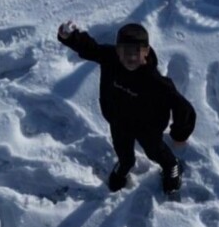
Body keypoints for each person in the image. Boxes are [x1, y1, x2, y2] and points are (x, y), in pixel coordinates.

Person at [57, 21, 196, 194]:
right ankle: (125, 164)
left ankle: (172, 166)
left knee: (155, 152)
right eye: (124, 51)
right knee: (123, 151)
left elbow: (183, 108)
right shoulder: (111, 59)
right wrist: (71, 37)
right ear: (117, 50)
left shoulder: (157, 83)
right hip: (119, 121)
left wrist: (179, 134)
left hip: (148, 127)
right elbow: (90, 49)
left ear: (146, 51)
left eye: (136, 52)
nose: (130, 57)